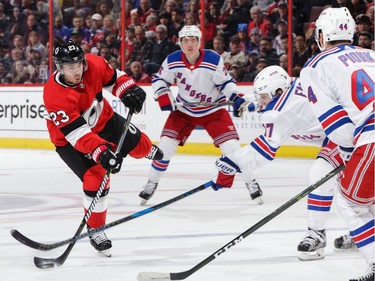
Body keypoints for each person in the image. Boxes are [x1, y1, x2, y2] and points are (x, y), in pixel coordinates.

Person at [210, 65, 347, 261]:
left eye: (263, 97)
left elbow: (263, 152)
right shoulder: (294, 83)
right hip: (346, 127)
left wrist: (229, 165)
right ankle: (365, 232)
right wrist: (251, 101)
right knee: (351, 188)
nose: (261, 101)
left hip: (347, 135)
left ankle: (317, 233)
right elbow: (275, 99)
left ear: (278, 92)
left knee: (320, 172)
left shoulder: (281, 113)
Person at [43, 41, 163, 257]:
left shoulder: (93, 64)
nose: (77, 70)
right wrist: (102, 153)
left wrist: (129, 89)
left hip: (104, 120)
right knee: (97, 177)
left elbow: (115, 78)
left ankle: (146, 152)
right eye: (70, 67)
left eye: (79, 64)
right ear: (59, 67)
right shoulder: (54, 95)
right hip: (70, 141)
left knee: (140, 145)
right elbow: (78, 135)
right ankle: (96, 229)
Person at [139, 25, 262, 205]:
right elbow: (159, 80)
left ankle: (251, 182)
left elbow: (225, 83)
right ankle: (151, 183)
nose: (190, 44)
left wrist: (235, 97)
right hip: (184, 111)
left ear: (199, 41)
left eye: (193, 40)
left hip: (213, 110)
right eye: (186, 40)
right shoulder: (172, 59)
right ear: (180, 42)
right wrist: (163, 94)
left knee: (233, 149)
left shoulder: (212, 58)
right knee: (164, 148)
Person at [299, 7, 374, 281]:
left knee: (351, 203)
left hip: (371, 137)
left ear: (321, 34)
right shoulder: (372, 55)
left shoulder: (316, 65)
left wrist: (347, 153)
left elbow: (337, 126)